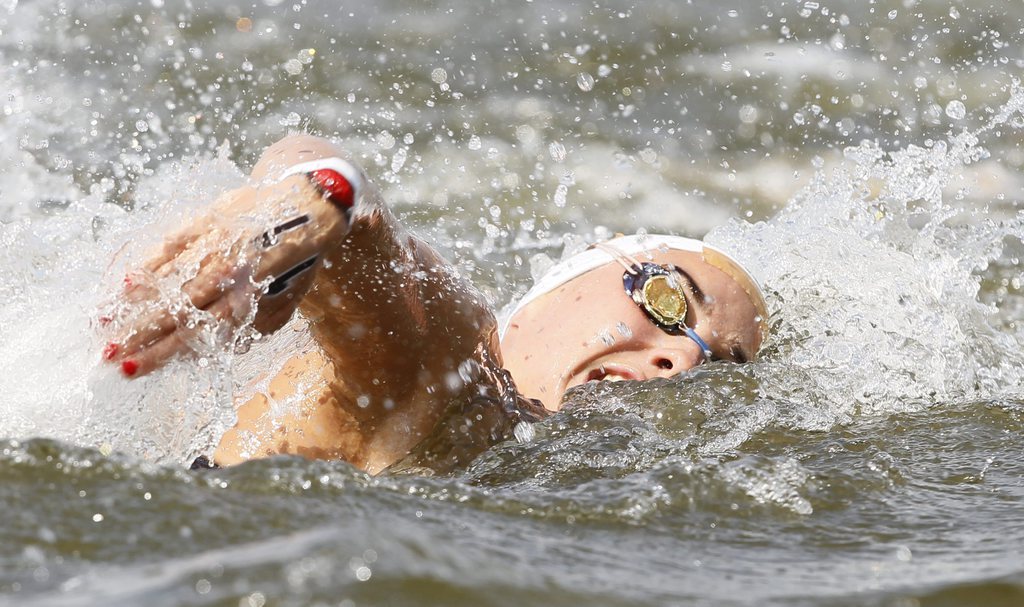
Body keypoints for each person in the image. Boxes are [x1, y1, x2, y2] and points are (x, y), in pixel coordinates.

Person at [100, 134, 768, 474]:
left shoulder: (522, 468)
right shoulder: (462, 364)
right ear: (577, 271)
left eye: (713, 363)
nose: (681, 358)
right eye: (668, 301)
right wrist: (316, 201)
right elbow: (378, 248)